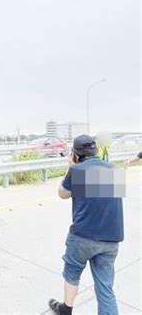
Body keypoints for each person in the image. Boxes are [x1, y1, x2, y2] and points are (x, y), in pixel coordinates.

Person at [49, 135, 124, 315]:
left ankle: (66, 309)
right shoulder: (115, 170)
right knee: (105, 287)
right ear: (96, 150)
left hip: (83, 236)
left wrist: (70, 168)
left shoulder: (77, 171)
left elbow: (62, 194)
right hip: (112, 238)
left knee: (72, 273)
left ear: (75, 154)